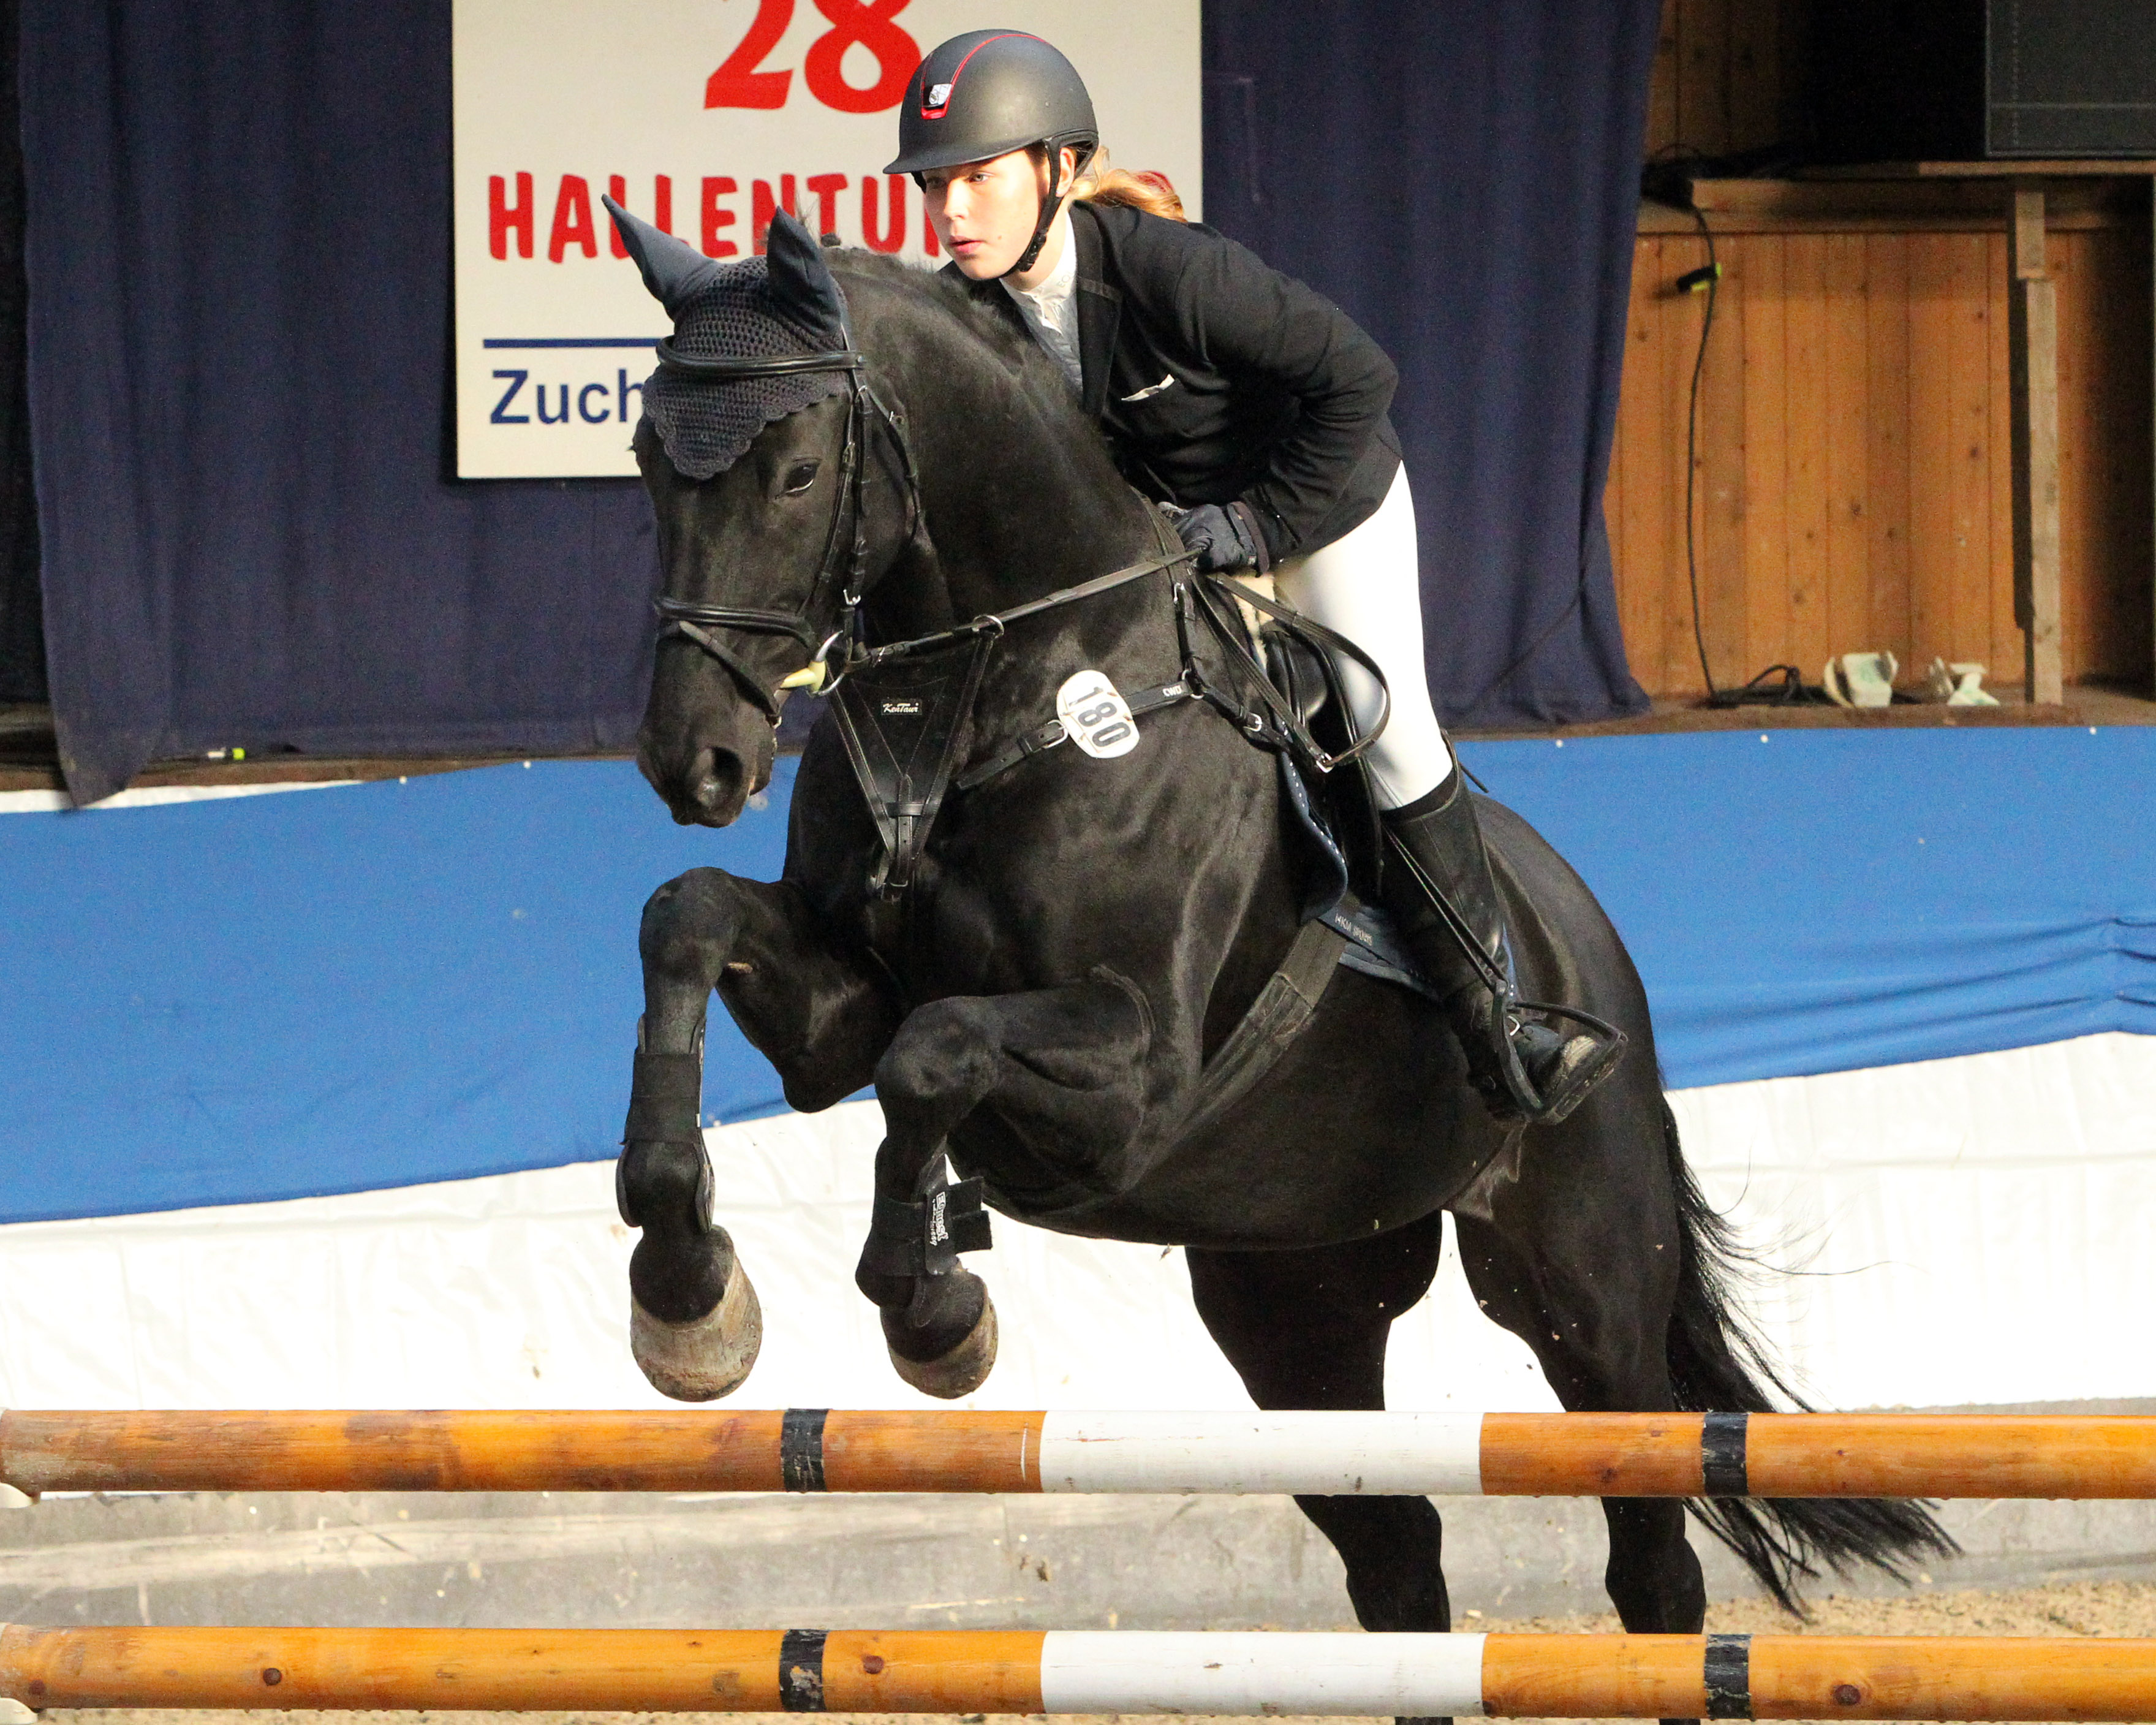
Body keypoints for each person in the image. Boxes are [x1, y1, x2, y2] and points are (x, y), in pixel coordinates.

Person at [887, 30, 1621, 1126]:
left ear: (1063, 170)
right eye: (937, 184)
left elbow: (1359, 381)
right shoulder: (968, 318)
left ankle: (1499, 1019)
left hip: (1321, 503)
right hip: (1185, 540)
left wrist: (1261, 523)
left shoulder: (1171, 270)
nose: (952, 210)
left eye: (979, 178)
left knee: (1382, 722)